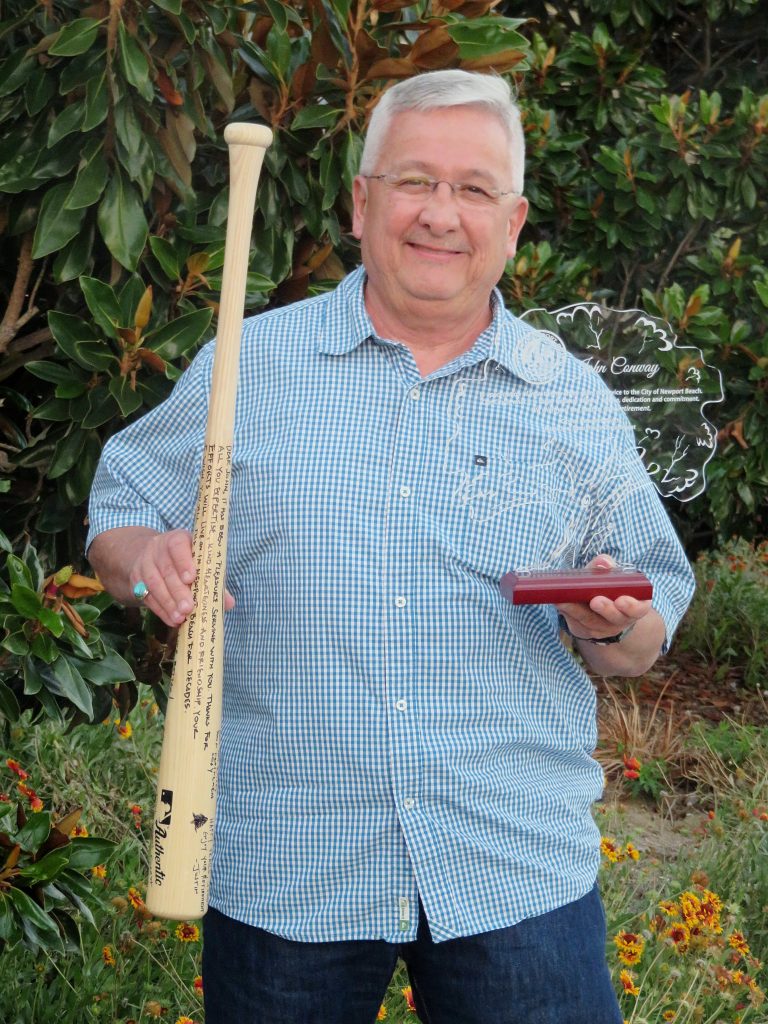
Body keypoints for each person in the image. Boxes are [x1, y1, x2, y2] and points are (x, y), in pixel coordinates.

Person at [87, 70, 695, 1024]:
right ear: (363, 204)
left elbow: (644, 629)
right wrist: (144, 559)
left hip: (514, 871)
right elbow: (122, 510)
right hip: (292, 870)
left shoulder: (570, 403)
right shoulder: (251, 366)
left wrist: (613, 626)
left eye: (473, 188)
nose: (440, 214)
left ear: (515, 221)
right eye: (414, 181)